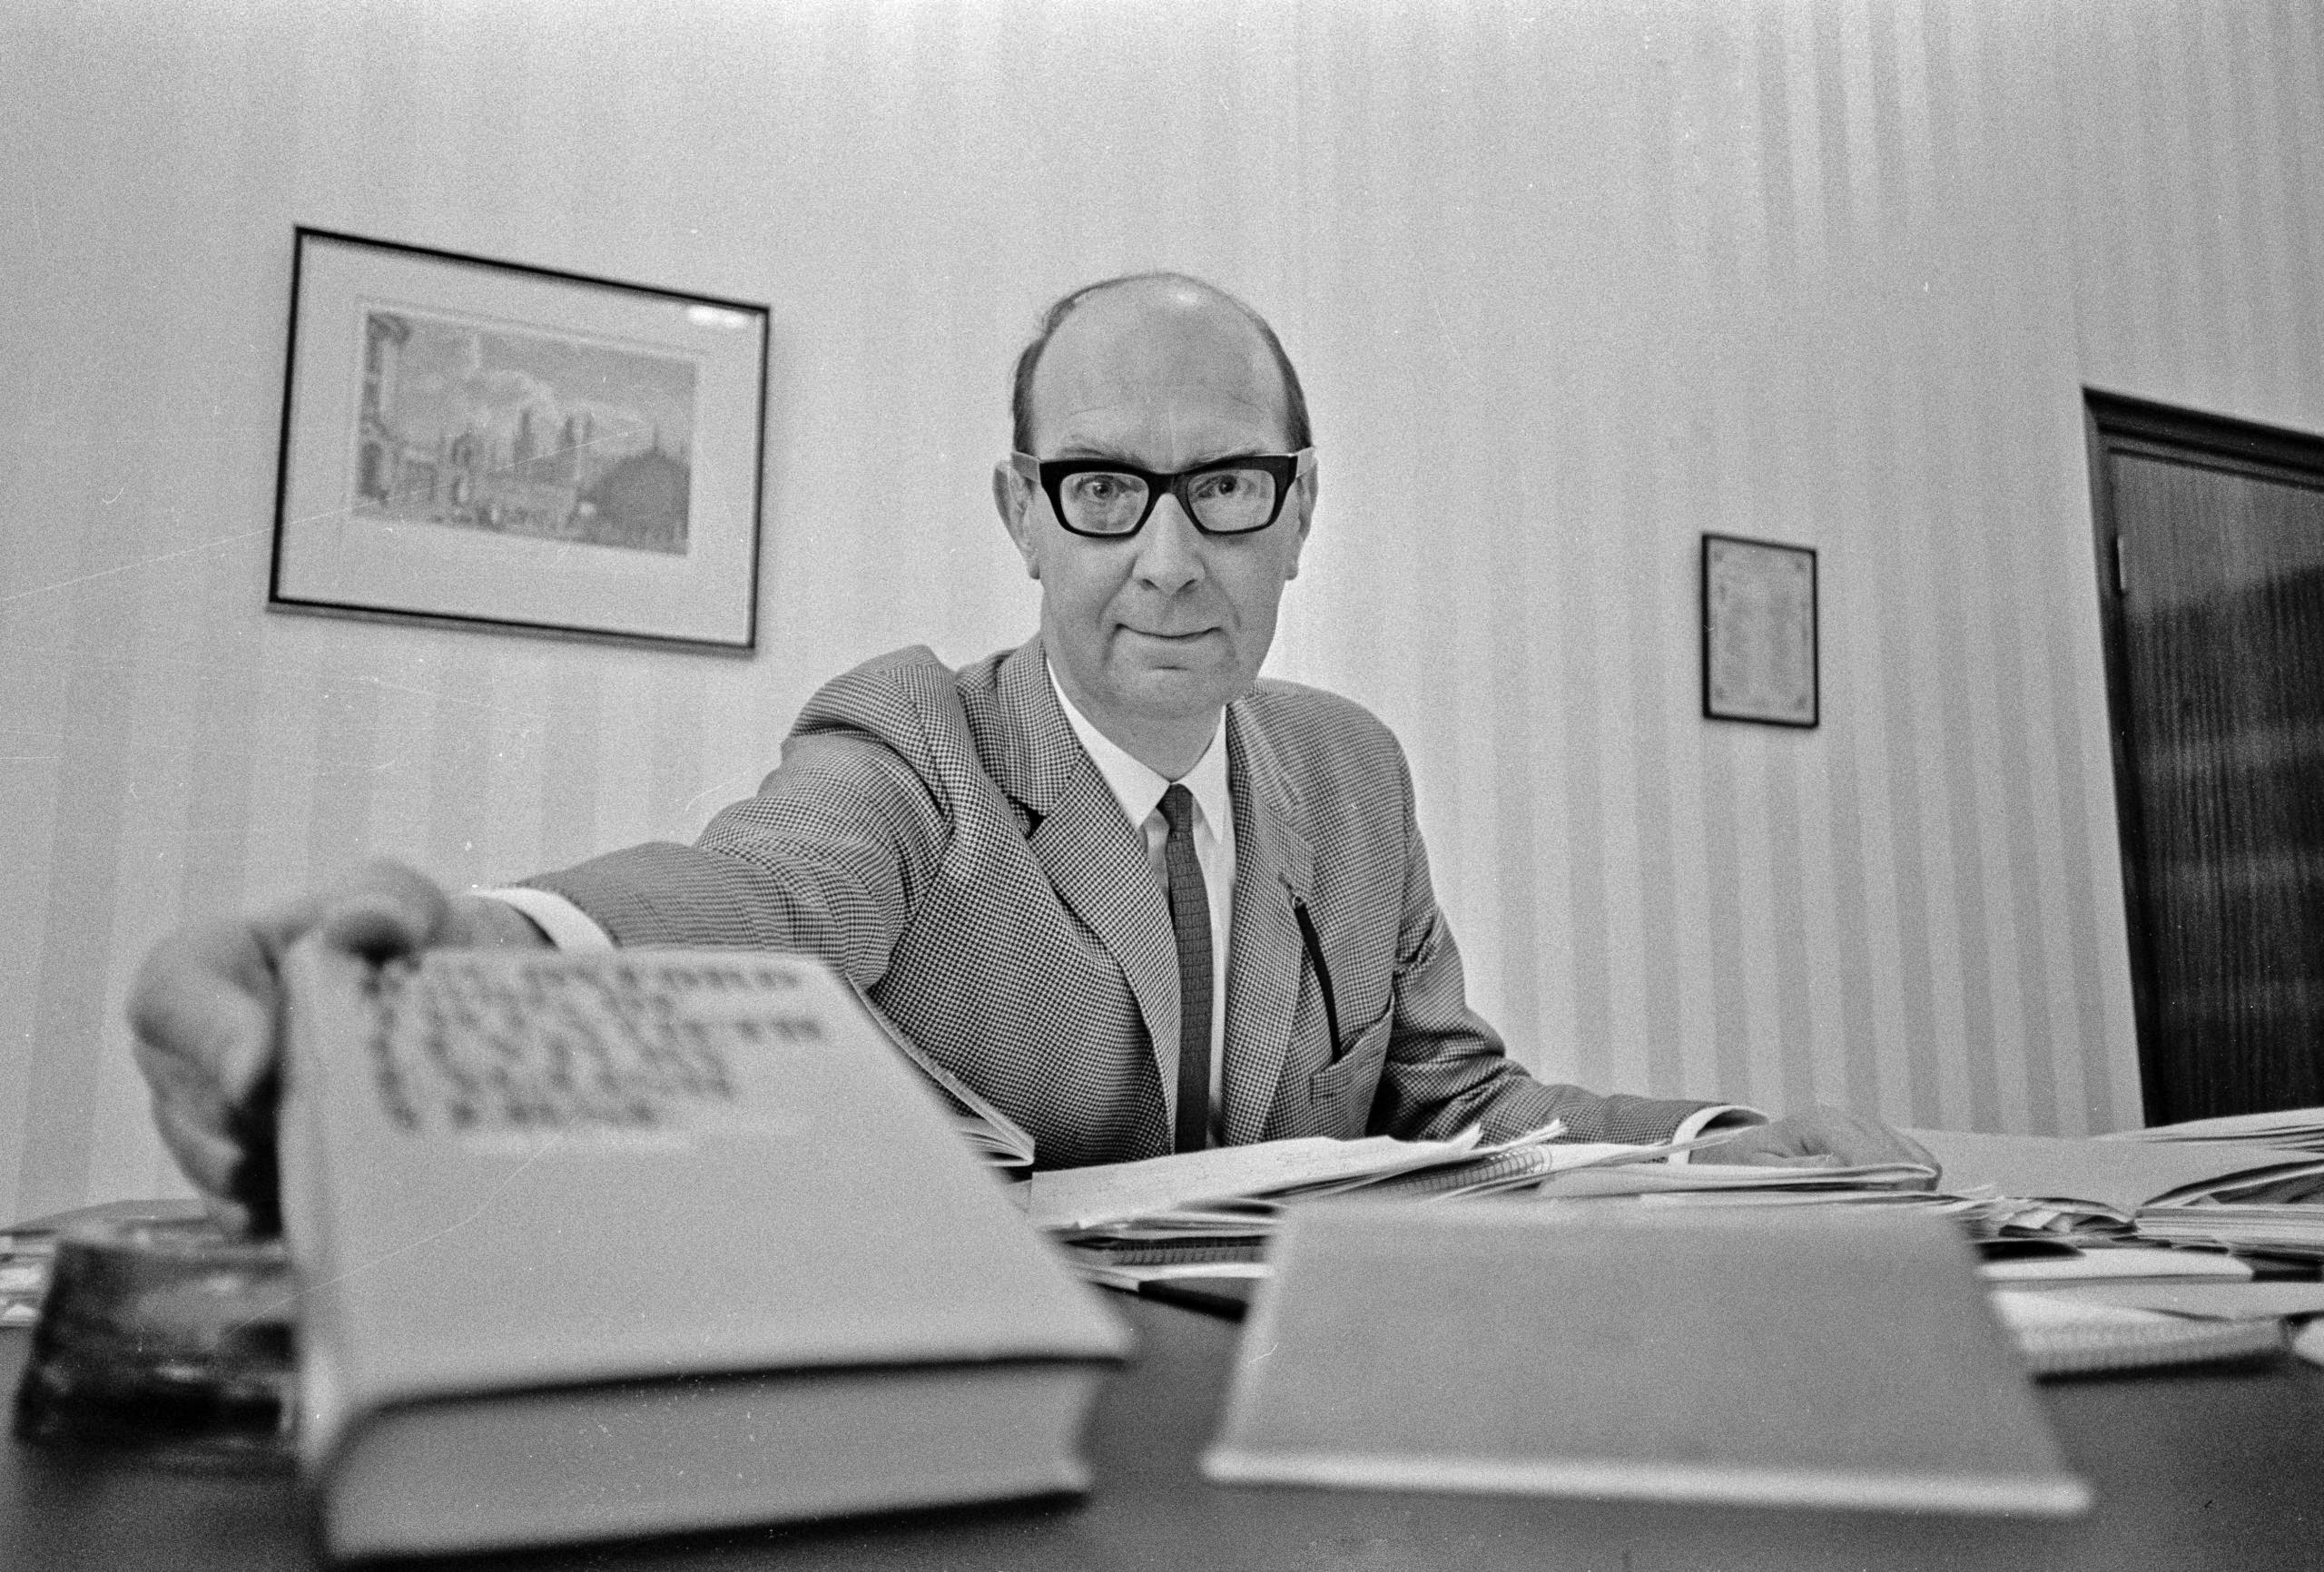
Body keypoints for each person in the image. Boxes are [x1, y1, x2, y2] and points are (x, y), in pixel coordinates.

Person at [132, 272, 1932, 1228]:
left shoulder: (1352, 771)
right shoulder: (915, 740)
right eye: (1102, 490)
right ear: (1023, 511)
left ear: (1299, 512)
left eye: (1228, 488)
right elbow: (759, 897)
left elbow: (1455, 1104)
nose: (1171, 559)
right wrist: (474, 948)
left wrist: (1716, 1140)